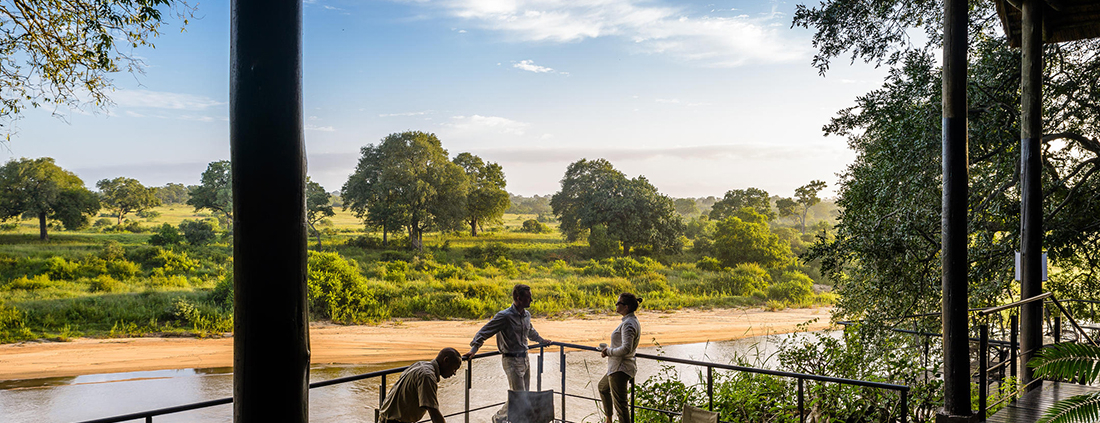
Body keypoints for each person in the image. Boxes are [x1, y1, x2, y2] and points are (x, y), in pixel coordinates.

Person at [464, 284, 552, 423]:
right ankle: (499, 418)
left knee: (524, 395)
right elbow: (484, 332)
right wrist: (473, 350)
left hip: (525, 359)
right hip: (511, 361)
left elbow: (531, 332)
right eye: (528, 297)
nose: (531, 300)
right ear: (518, 298)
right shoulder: (504, 316)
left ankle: (506, 418)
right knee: (520, 397)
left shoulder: (526, 315)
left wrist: (542, 341)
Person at [378, 347, 463, 423]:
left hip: (387, 417)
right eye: (454, 368)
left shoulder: (421, 365)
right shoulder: (427, 376)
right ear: (446, 360)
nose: (454, 373)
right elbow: (434, 413)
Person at [599, 293, 642, 423]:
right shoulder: (630, 321)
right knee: (602, 387)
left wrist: (608, 351)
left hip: (620, 369)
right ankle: (609, 419)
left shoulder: (628, 324)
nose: (616, 305)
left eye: (619, 303)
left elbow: (626, 349)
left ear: (626, 307)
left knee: (621, 406)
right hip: (617, 367)